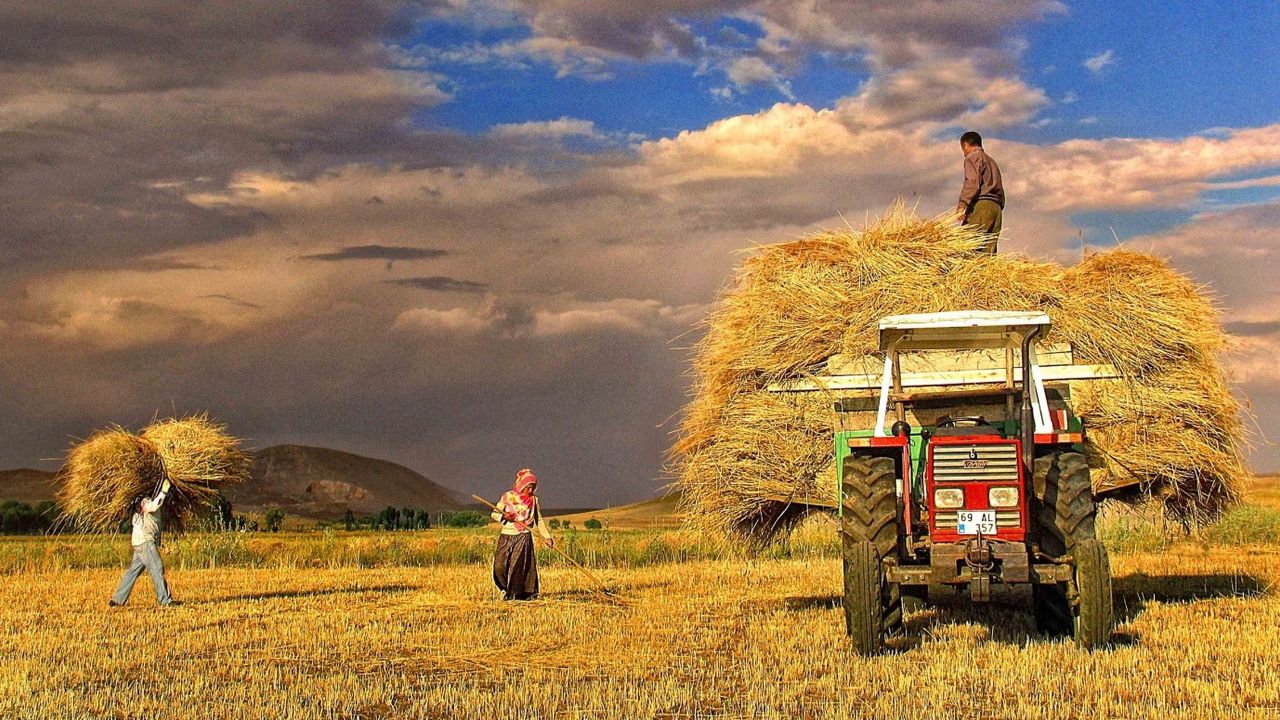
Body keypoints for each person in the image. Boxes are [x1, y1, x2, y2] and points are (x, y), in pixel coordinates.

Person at [109, 478, 180, 607]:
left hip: (138, 543)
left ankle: (117, 599)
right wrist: (164, 490)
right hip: (145, 542)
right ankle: (165, 600)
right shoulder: (146, 502)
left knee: (133, 571)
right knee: (157, 567)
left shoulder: (137, 511)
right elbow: (154, 506)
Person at [491, 468, 554, 601]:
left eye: (533, 488)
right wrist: (504, 517)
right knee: (499, 566)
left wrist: (547, 537)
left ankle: (514, 595)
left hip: (524, 537)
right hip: (506, 535)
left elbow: (539, 520)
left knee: (517, 568)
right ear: (522, 485)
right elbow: (494, 514)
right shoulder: (507, 497)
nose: (530, 491)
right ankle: (504, 589)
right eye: (528, 487)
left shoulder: (534, 501)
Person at [955, 130, 1005, 253]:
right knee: (987, 255)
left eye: (963, 149)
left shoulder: (973, 157)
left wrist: (962, 205)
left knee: (967, 250)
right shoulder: (992, 162)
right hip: (996, 209)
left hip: (982, 207)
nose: (964, 154)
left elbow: (972, 183)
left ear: (966, 145)